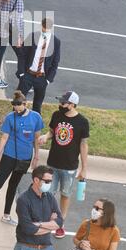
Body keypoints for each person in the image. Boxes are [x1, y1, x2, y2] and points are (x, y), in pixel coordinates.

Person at [0, 91, 44, 225]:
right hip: (9, 156)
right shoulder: (10, 117)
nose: (16, 109)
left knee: (13, 186)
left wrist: (36, 156)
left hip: (24, 158)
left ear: (25, 104)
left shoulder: (36, 117)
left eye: (18, 106)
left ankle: (6, 215)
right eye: (14, 106)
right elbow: (4, 137)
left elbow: (36, 138)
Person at [39, 91, 90, 239]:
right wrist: (45, 136)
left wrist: (84, 168)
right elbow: (52, 132)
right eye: (60, 102)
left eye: (63, 103)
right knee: (48, 193)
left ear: (72, 104)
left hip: (69, 167)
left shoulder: (82, 122)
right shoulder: (57, 115)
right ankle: (49, 221)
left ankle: (60, 223)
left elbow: (83, 145)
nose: (60, 105)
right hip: (52, 163)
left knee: (65, 195)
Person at [14, 165, 63, 250]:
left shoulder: (50, 198)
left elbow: (60, 222)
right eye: (47, 181)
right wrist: (51, 225)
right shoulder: (23, 200)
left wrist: (39, 224)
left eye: (50, 181)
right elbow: (29, 229)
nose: (49, 184)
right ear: (36, 180)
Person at [18, 17, 60, 114]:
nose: (45, 30)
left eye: (48, 29)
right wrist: (21, 73)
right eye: (44, 28)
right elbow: (22, 55)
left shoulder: (56, 42)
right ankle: (15, 123)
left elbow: (55, 62)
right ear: (41, 26)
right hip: (27, 75)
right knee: (19, 102)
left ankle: (35, 126)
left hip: (42, 78)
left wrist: (48, 80)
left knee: (37, 105)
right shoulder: (32, 36)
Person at [0, 0, 27, 89]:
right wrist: (20, 36)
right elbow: (18, 21)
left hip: (2, 29)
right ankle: (23, 80)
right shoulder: (18, 2)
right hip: (13, 31)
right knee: (21, 56)